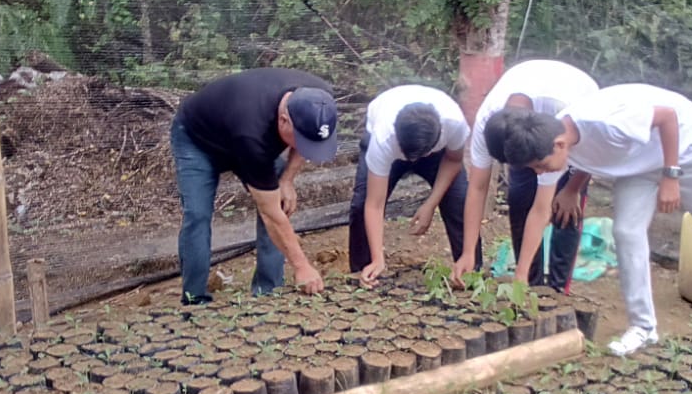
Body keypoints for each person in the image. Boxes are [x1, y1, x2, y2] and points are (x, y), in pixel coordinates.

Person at [484, 82, 692, 356]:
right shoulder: (551, 141)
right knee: (626, 232)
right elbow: (541, 210)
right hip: (638, 166)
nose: (539, 172)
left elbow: (667, 117)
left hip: (686, 149)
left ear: (559, 145)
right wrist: (522, 274)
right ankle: (643, 328)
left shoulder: (606, 121)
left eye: (540, 166)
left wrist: (671, 175)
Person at [170, 67, 339, 303]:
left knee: (280, 202)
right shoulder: (252, 132)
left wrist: (287, 179)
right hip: (197, 140)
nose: (306, 147)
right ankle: (194, 299)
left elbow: (309, 138)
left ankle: (269, 292)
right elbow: (270, 214)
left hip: (241, 132)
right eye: (301, 139)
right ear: (283, 120)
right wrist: (302, 266)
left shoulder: (320, 101)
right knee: (198, 214)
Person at [454, 60, 598, 292]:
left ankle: (558, 290)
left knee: (565, 211)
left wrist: (572, 189)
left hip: (581, 138)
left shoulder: (565, 113)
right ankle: (530, 283)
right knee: (520, 201)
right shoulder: (487, 124)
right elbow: (477, 188)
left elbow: (543, 207)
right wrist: (468, 251)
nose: (538, 172)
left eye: (537, 165)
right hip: (534, 135)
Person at [349, 84, 480, 284]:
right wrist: (378, 257)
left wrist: (430, 204)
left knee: (460, 202)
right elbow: (374, 204)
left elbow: (453, 161)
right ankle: (366, 271)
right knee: (360, 205)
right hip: (390, 146)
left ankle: (469, 271)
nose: (412, 161)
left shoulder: (454, 124)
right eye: (407, 155)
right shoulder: (383, 138)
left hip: (437, 153)